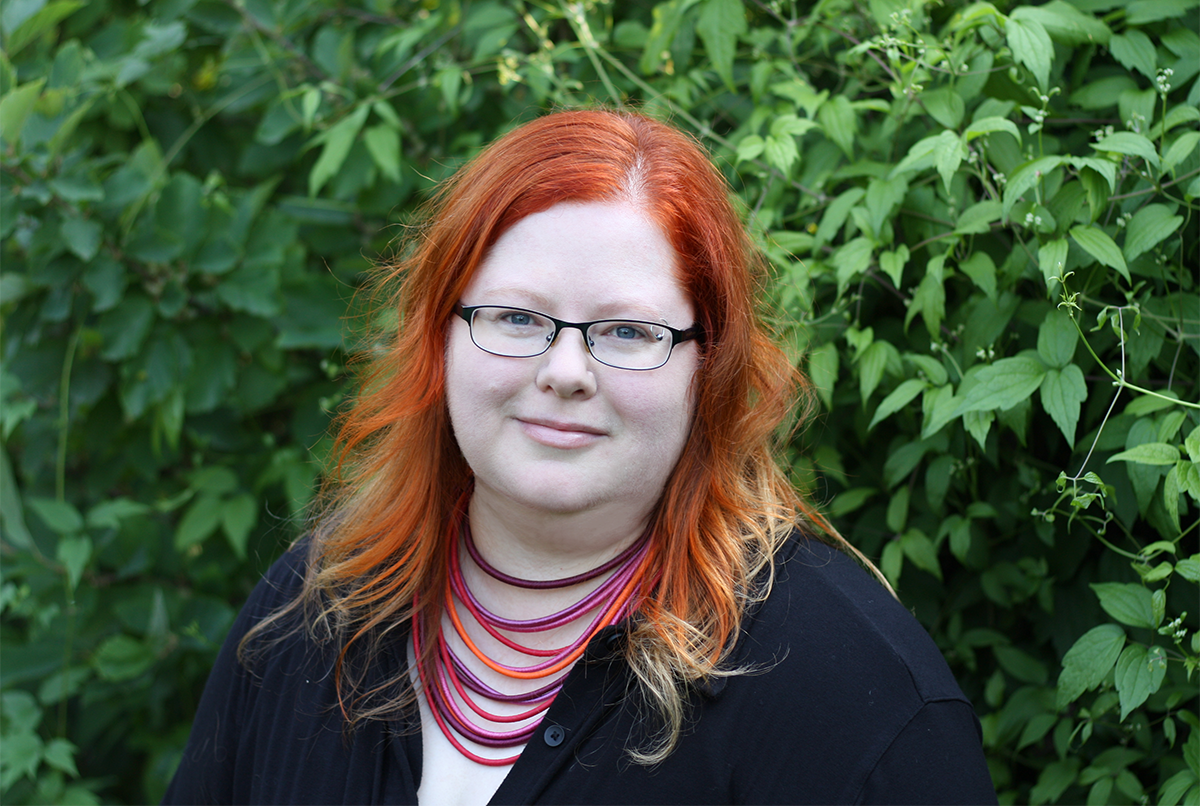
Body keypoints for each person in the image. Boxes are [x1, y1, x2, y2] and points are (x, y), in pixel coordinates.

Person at [162, 110, 998, 805]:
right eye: (517, 318)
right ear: (441, 337)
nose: (565, 372)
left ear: (707, 366)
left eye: (627, 331)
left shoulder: (852, 697)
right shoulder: (311, 611)